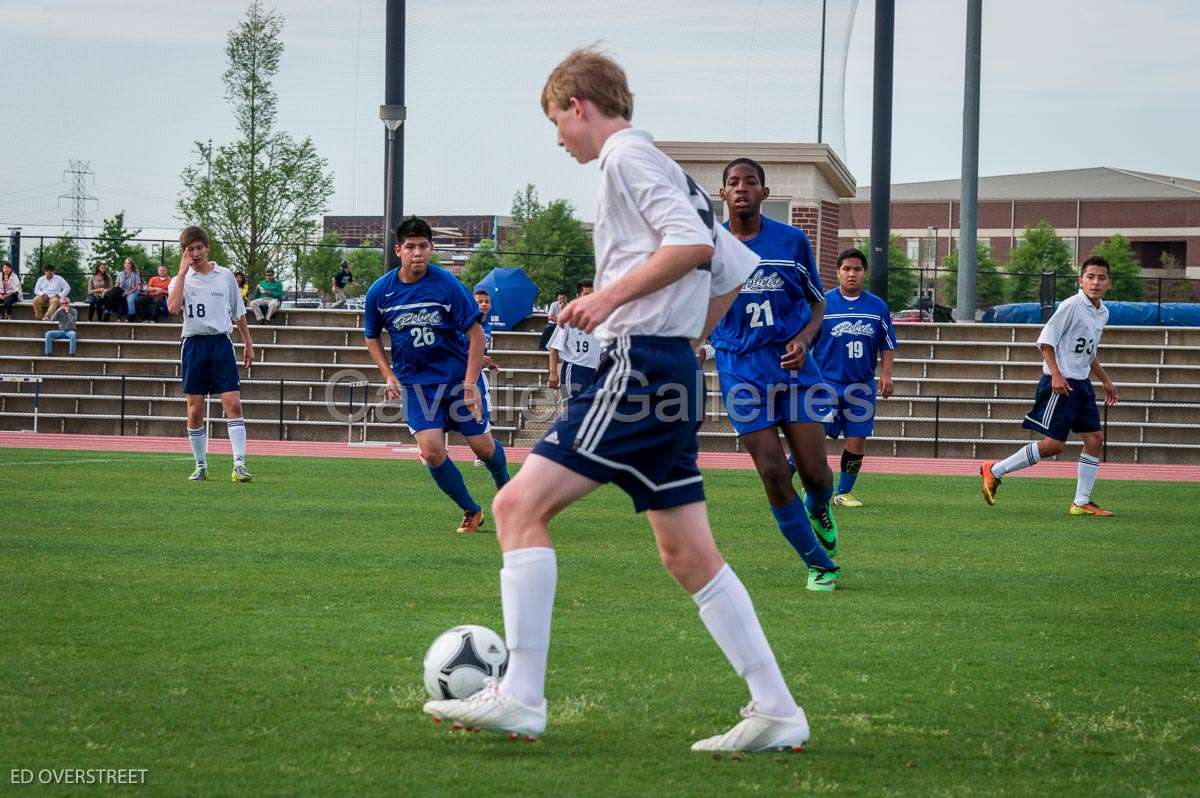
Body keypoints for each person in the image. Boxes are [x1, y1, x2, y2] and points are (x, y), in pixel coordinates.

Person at [423, 48, 810, 753]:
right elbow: (733, 266)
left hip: (635, 369)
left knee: (515, 507)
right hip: (666, 369)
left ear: (579, 105)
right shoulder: (664, 166)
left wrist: (608, 302)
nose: (559, 138)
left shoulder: (627, 160)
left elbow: (693, 245)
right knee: (687, 553)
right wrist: (686, 336)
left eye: (557, 121)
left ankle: (522, 696)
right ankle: (777, 708)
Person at [705, 157, 841, 592]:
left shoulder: (792, 241)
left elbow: (818, 304)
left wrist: (804, 340)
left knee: (816, 474)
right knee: (771, 471)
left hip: (793, 367)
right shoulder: (708, 248)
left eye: (750, 182)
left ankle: (819, 505)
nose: (741, 187)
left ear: (764, 193)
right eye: (733, 182)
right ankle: (820, 564)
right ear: (722, 195)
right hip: (740, 370)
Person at [364, 216, 511, 533]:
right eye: (411, 246)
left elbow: (476, 335)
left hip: (457, 381)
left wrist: (471, 384)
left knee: (482, 449)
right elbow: (371, 336)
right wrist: (388, 375)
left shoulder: (446, 284)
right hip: (417, 386)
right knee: (431, 452)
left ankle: (509, 495)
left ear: (431, 249)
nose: (418, 252)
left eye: (424, 246)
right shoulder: (380, 292)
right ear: (398, 250)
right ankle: (471, 510)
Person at [981, 256, 1119, 516]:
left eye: (1101, 278)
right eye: (1090, 277)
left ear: (1109, 283)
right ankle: (994, 470)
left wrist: (1105, 380)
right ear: (1081, 281)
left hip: (1082, 384)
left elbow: (1087, 353)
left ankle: (1081, 502)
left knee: (1094, 439)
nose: (1095, 282)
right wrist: (1056, 375)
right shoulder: (1072, 305)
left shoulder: (1103, 313)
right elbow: (1046, 341)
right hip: (1062, 384)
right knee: (1054, 445)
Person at [167, 225, 256, 483]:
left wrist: (248, 344)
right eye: (189, 249)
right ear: (184, 253)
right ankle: (200, 465)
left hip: (220, 343)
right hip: (194, 345)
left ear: (207, 248)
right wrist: (182, 273)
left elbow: (238, 313)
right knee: (195, 410)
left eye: (198, 248)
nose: (195, 253)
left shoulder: (224, 275)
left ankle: (239, 463)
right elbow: (172, 308)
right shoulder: (179, 279)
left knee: (233, 403)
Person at [809, 248, 896, 508]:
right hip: (825, 383)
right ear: (837, 272)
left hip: (862, 386)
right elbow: (805, 341)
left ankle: (843, 493)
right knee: (811, 436)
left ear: (864, 273)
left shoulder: (877, 306)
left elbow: (887, 343)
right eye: (846, 269)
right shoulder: (822, 303)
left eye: (857, 269)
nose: (851, 274)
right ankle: (788, 478)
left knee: (858, 438)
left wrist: (886, 374)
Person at [546, 279, 599, 403]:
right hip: (574, 370)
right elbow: (554, 348)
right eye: (586, 295)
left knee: (588, 413)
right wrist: (553, 373)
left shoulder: (600, 319)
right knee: (570, 412)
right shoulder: (569, 318)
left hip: (593, 371)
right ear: (578, 296)